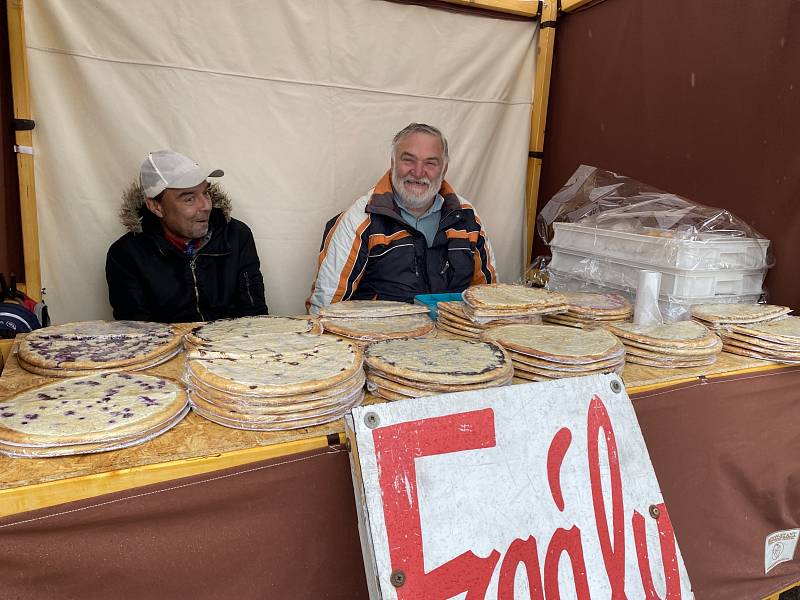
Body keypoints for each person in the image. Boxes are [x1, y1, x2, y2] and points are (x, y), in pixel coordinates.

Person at [307, 123, 496, 313]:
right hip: (377, 340)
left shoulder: (467, 218)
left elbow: (489, 300)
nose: (418, 172)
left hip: (455, 340)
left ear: (444, 169)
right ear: (393, 163)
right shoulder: (360, 219)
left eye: (430, 163)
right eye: (408, 160)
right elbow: (325, 307)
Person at [106, 150, 268, 322]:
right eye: (189, 199)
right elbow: (138, 334)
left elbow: (254, 318)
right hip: (168, 348)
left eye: (206, 193)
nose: (206, 206)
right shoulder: (126, 255)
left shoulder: (237, 236)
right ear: (156, 207)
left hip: (231, 346)